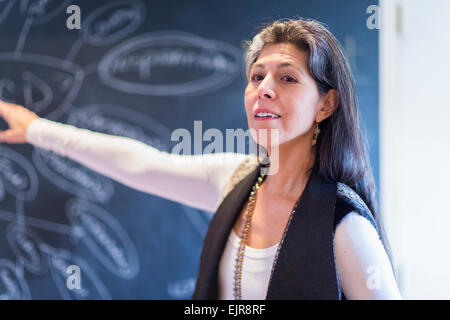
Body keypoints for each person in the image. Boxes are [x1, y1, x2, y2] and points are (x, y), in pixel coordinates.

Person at [0, 18, 401, 300]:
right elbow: (139, 163)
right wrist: (37, 129)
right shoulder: (235, 180)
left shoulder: (344, 225)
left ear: (326, 104)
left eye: (287, 77)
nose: (263, 88)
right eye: (256, 76)